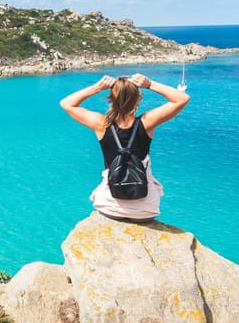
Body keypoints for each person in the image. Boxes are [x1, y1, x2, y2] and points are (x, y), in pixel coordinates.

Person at [59, 73, 190, 222]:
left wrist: (97, 87)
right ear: (138, 99)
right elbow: (182, 98)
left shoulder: (101, 124)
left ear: (111, 100)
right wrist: (150, 84)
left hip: (109, 206)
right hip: (145, 210)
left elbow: (66, 103)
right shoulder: (147, 122)